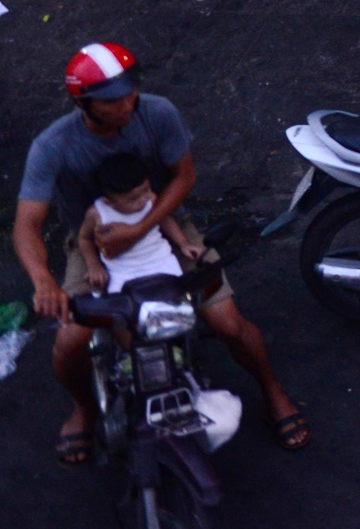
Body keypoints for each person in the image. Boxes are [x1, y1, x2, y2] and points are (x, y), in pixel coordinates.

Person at [12, 44, 309, 465]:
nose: (127, 103)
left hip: (165, 222)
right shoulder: (53, 145)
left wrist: (138, 230)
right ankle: (83, 408)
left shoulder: (158, 113)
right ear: (83, 102)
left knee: (228, 324)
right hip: (93, 241)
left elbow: (183, 178)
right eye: (113, 99)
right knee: (68, 344)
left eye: (131, 92)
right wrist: (43, 281)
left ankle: (272, 391)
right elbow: (27, 223)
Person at [77, 154, 200, 292]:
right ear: (108, 201)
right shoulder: (97, 213)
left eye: (146, 190)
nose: (143, 199)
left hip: (161, 261)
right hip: (122, 273)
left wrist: (183, 243)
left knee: (177, 299)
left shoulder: (151, 199)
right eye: (133, 199)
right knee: (122, 308)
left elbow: (165, 219)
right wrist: (94, 265)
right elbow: (85, 239)